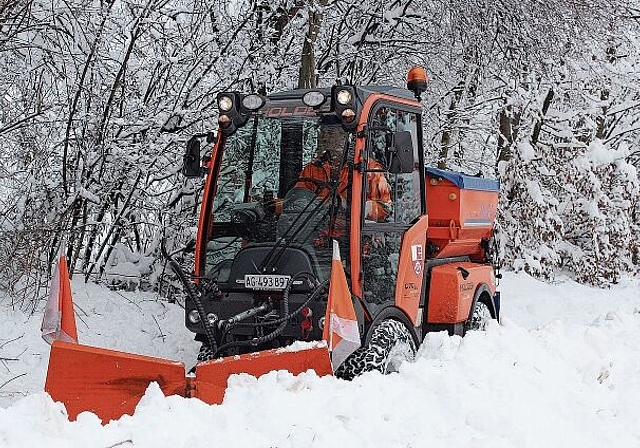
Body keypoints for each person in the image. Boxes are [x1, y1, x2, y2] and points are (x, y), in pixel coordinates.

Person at [295, 125, 392, 222]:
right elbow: (297, 201)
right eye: (322, 133)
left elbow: (384, 209)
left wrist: (352, 207)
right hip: (315, 233)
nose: (324, 137)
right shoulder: (312, 169)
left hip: (352, 233)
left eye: (330, 133)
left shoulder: (370, 170)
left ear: (344, 136)